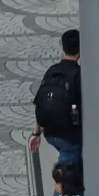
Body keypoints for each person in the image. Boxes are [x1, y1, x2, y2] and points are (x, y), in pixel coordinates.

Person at [32, 28, 82, 165]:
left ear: (62, 47)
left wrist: (36, 134)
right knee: (67, 176)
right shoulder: (78, 74)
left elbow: (40, 101)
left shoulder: (53, 70)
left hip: (49, 132)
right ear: (80, 49)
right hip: (68, 136)